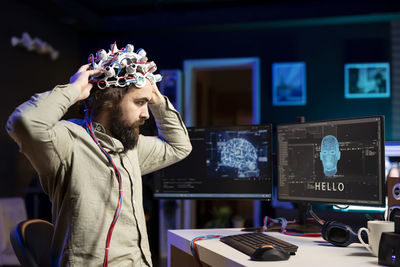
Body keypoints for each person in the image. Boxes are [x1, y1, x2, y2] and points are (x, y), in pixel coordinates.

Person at [6, 44, 192, 266]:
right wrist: (74, 89)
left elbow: (179, 146)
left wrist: (157, 99)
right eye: (140, 102)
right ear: (109, 102)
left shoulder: (131, 147)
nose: (146, 114)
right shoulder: (67, 142)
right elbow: (25, 122)